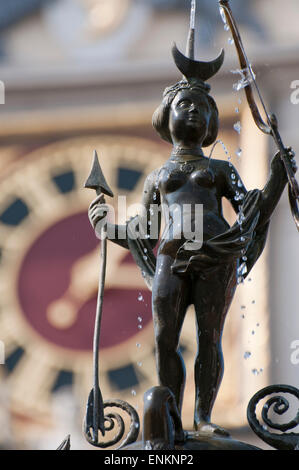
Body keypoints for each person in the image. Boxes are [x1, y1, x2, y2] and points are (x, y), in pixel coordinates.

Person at [88, 73, 297, 436]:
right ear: (166, 117)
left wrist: (277, 178)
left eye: (203, 108)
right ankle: (172, 420)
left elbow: (251, 211)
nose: (194, 112)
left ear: (211, 123)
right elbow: (147, 231)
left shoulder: (219, 169)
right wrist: (107, 229)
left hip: (216, 254)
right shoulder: (157, 176)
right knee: (163, 339)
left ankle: (203, 417)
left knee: (209, 337)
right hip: (171, 255)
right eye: (185, 105)